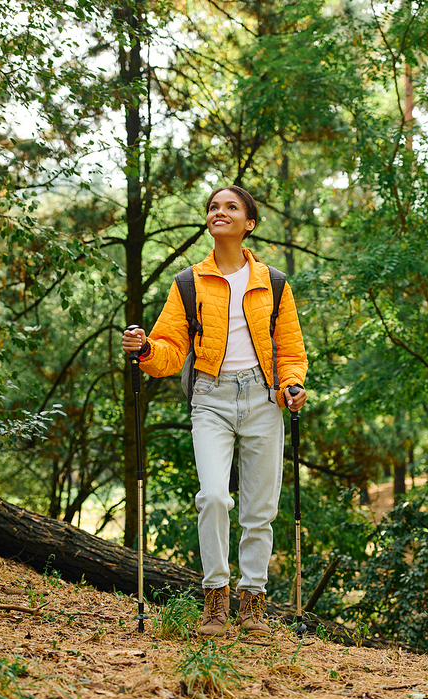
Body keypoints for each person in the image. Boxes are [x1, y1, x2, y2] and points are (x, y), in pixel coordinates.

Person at [122, 186, 307, 636]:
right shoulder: (189, 282)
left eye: (231, 207)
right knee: (213, 497)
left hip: (264, 399)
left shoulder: (275, 282)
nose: (219, 212)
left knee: (259, 511)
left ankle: (253, 606)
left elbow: (291, 350)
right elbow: (168, 349)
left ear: (249, 223)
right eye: (213, 207)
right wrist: (145, 348)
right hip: (211, 398)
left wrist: (293, 386)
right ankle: (215, 604)